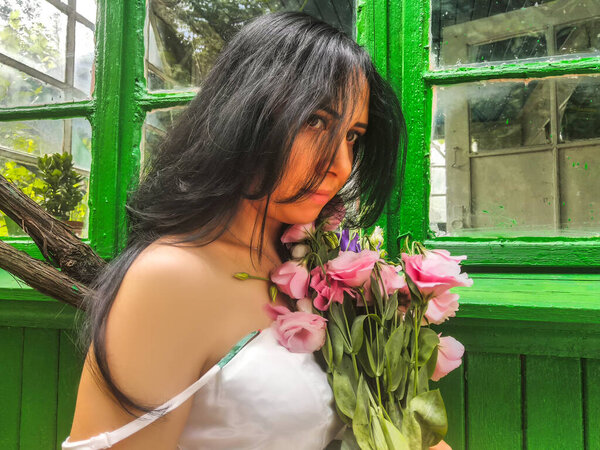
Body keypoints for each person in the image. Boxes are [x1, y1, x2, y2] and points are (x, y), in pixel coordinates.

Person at [61, 10, 448, 449]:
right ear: (246, 111)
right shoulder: (172, 277)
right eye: (316, 121)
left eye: (352, 136)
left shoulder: (311, 263)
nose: (340, 165)